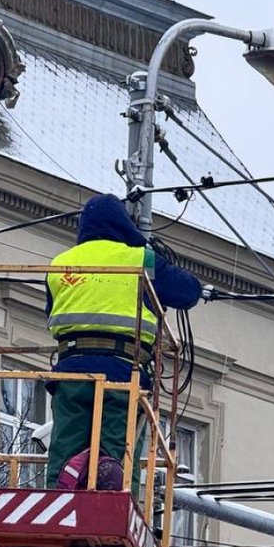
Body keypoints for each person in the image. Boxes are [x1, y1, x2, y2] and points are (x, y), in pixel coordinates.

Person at [44, 193, 201, 490]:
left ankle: (57, 495)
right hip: (121, 372)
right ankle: (114, 498)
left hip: (71, 372)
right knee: (116, 451)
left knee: (65, 448)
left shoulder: (60, 263)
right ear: (123, 225)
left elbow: (51, 311)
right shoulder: (141, 260)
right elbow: (186, 292)